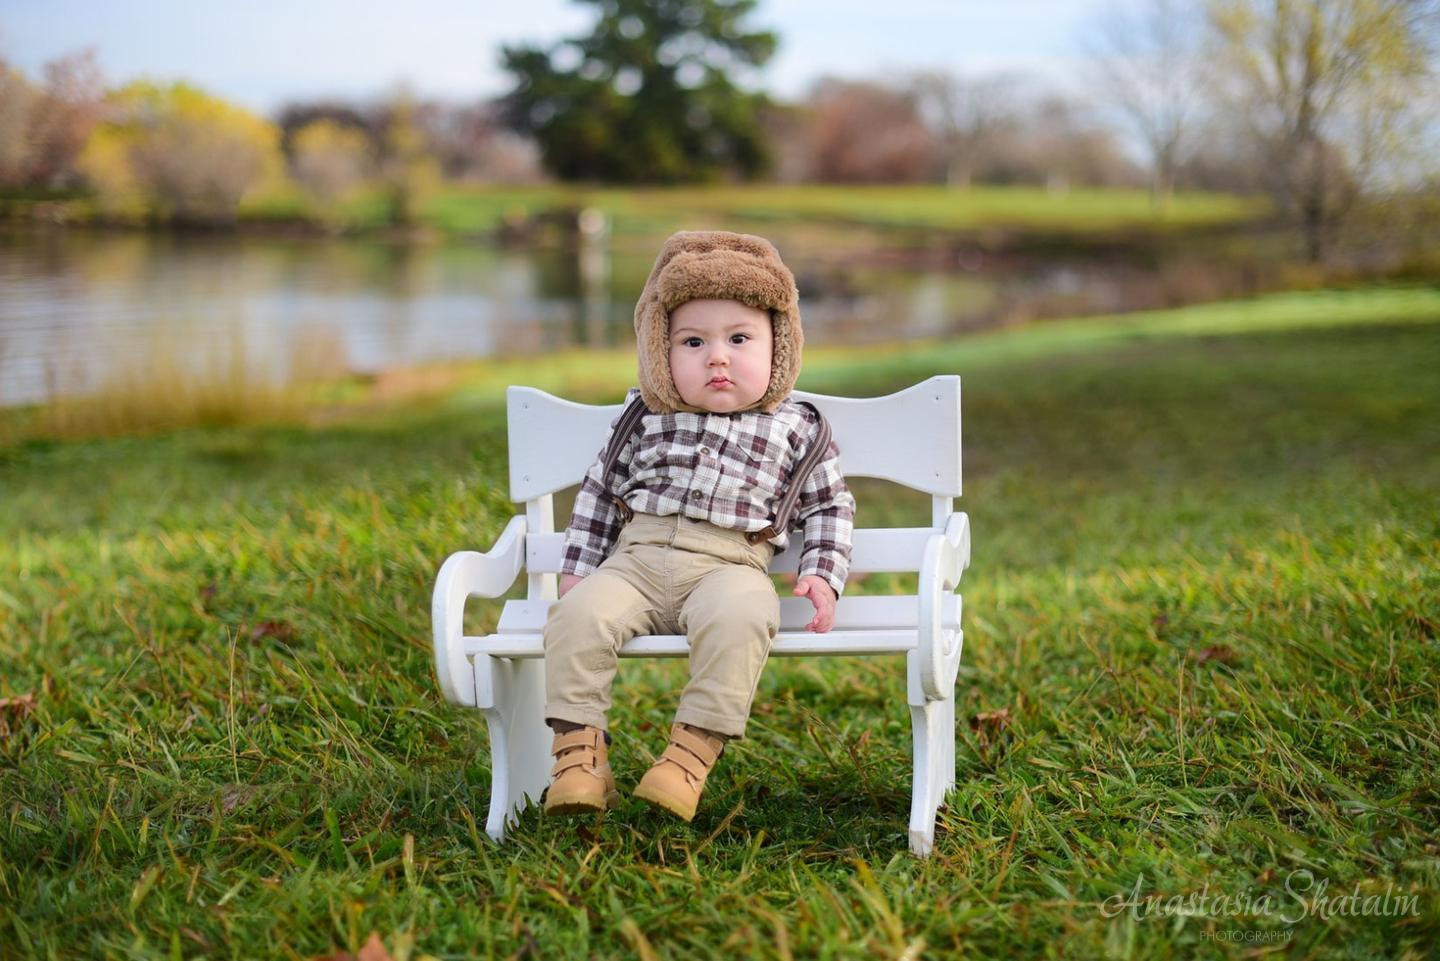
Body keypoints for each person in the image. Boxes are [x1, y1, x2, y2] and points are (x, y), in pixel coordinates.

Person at [541, 230, 855, 822]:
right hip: (632, 561)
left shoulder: (796, 427)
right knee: (577, 620)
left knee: (745, 616)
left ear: (779, 348)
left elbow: (830, 505)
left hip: (728, 564)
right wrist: (578, 572)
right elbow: (601, 492)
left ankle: (687, 759)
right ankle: (579, 760)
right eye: (693, 342)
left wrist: (822, 575)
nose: (717, 356)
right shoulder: (643, 416)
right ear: (661, 354)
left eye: (740, 339)